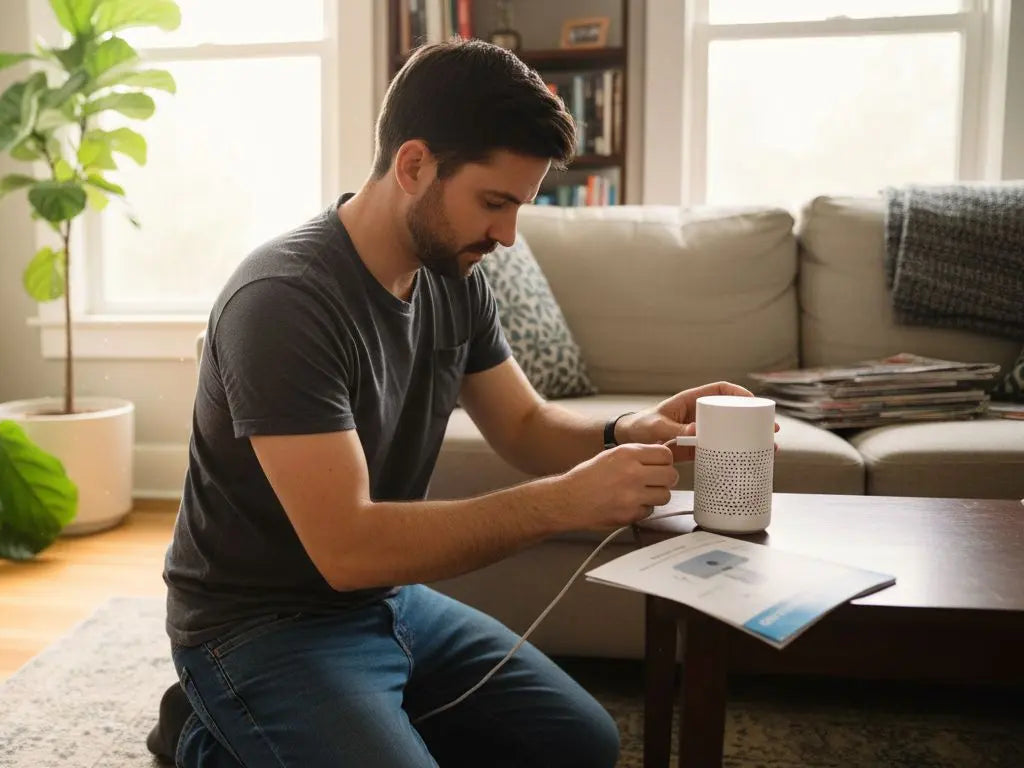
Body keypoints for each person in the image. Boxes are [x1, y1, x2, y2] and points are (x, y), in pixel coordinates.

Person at [149, 38, 764, 767]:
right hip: (257, 626)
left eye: (518, 208)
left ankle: (332, 722)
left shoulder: (454, 277)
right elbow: (347, 548)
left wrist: (633, 427)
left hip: (385, 601)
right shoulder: (282, 301)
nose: (506, 236)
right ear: (413, 166)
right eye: (494, 203)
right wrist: (562, 504)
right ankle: (206, 728)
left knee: (582, 746)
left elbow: (526, 424)